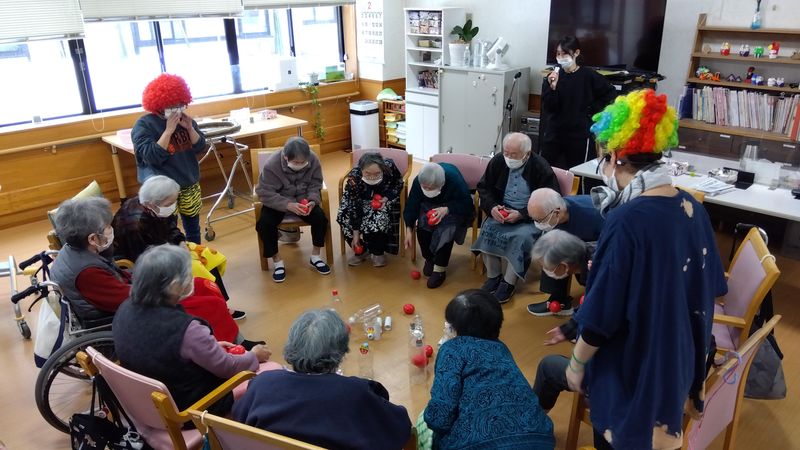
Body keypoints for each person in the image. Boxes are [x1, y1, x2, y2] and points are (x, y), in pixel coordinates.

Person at [563, 89, 727, 449]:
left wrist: (575, 364)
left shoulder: (626, 220)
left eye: (602, 158)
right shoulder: (693, 208)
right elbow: (709, 284)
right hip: (681, 360)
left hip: (637, 368)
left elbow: (602, 317)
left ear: (616, 156)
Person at [51, 197, 255, 346]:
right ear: (93, 239)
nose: (110, 229)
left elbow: (120, 284)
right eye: (106, 227)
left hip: (128, 297)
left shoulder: (75, 251)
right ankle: (230, 345)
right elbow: (129, 298)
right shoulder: (87, 272)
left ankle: (229, 337)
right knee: (210, 304)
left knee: (200, 284)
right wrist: (162, 286)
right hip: (129, 314)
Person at [113, 245, 278, 421]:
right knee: (273, 372)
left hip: (147, 404)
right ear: (175, 285)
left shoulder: (124, 309)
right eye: (188, 274)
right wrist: (254, 356)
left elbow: (159, 350)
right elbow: (227, 368)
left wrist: (208, 348)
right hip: (190, 410)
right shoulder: (187, 329)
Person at [233, 309, 412, 449]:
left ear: (291, 346)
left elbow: (239, 423)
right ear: (341, 353)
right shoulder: (355, 393)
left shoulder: (263, 384)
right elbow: (400, 429)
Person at [424, 289, 555, 449]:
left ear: (456, 327)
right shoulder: (502, 349)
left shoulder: (453, 349)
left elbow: (439, 418)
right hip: (541, 439)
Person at [111, 175, 245, 320]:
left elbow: (170, 226)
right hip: (148, 260)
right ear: (152, 203)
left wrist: (180, 241)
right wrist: (176, 254)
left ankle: (221, 303)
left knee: (207, 255)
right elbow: (145, 258)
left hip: (164, 245)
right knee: (196, 267)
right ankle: (211, 308)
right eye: (171, 202)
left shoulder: (152, 205)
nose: (174, 206)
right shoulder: (134, 225)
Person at [472, 132, 560, 303]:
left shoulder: (541, 167)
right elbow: (483, 188)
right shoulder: (498, 161)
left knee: (521, 238)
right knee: (488, 229)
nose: (508, 158)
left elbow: (552, 199)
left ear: (527, 154)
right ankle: (493, 277)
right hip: (502, 210)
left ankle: (508, 283)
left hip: (530, 216)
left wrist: (522, 214)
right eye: (506, 153)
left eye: (514, 155)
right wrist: (492, 208)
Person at [132, 73, 207, 244]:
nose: (177, 109)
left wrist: (190, 129)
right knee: (165, 228)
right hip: (162, 190)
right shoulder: (144, 125)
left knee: (193, 227)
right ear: (160, 104)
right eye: (172, 106)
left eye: (180, 105)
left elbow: (201, 146)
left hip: (188, 182)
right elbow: (151, 157)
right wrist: (168, 131)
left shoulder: (185, 121)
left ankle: (195, 255)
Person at [255, 136, 330, 282]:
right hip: (279, 201)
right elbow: (264, 192)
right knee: (265, 223)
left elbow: (316, 184)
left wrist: (312, 201)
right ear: (285, 157)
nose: (300, 165)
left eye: (304, 162)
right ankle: (277, 262)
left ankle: (315, 256)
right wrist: (287, 205)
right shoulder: (272, 164)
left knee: (320, 218)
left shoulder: (313, 159)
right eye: (296, 162)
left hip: (304, 201)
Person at [540, 36, 616, 171]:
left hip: (579, 136)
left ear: (576, 53)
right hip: (554, 134)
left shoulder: (588, 76)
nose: (561, 57)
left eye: (565, 53)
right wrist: (552, 87)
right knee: (545, 169)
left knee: (578, 172)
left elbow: (610, 93)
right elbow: (549, 108)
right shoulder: (552, 77)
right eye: (558, 54)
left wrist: (591, 111)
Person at [526, 188, 604, 316]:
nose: (537, 224)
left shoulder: (594, 214)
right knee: (551, 250)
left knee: (589, 260)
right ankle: (558, 299)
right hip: (575, 240)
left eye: (539, 220)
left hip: (597, 242)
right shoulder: (552, 217)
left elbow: (611, 243)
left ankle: (592, 303)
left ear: (556, 213)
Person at [403, 162, 474, 288]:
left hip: (452, 207)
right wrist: (408, 229)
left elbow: (467, 204)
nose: (427, 190)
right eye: (425, 187)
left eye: (431, 188)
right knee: (423, 226)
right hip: (428, 206)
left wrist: (447, 209)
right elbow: (412, 205)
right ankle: (429, 259)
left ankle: (440, 269)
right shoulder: (419, 181)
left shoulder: (453, 180)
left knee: (446, 230)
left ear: (442, 184)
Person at [337, 152, 404, 268]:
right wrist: (356, 233)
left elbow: (398, 183)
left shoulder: (389, 167)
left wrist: (387, 197)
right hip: (358, 200)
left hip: (382, 199)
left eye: (377, 173)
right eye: (367, 173)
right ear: (361, 169)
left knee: (379, 217)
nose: (372, 177)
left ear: (382, 169)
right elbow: (354, 205)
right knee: (343, 215)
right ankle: (362, 249)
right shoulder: (354, 178)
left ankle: (378, 252)